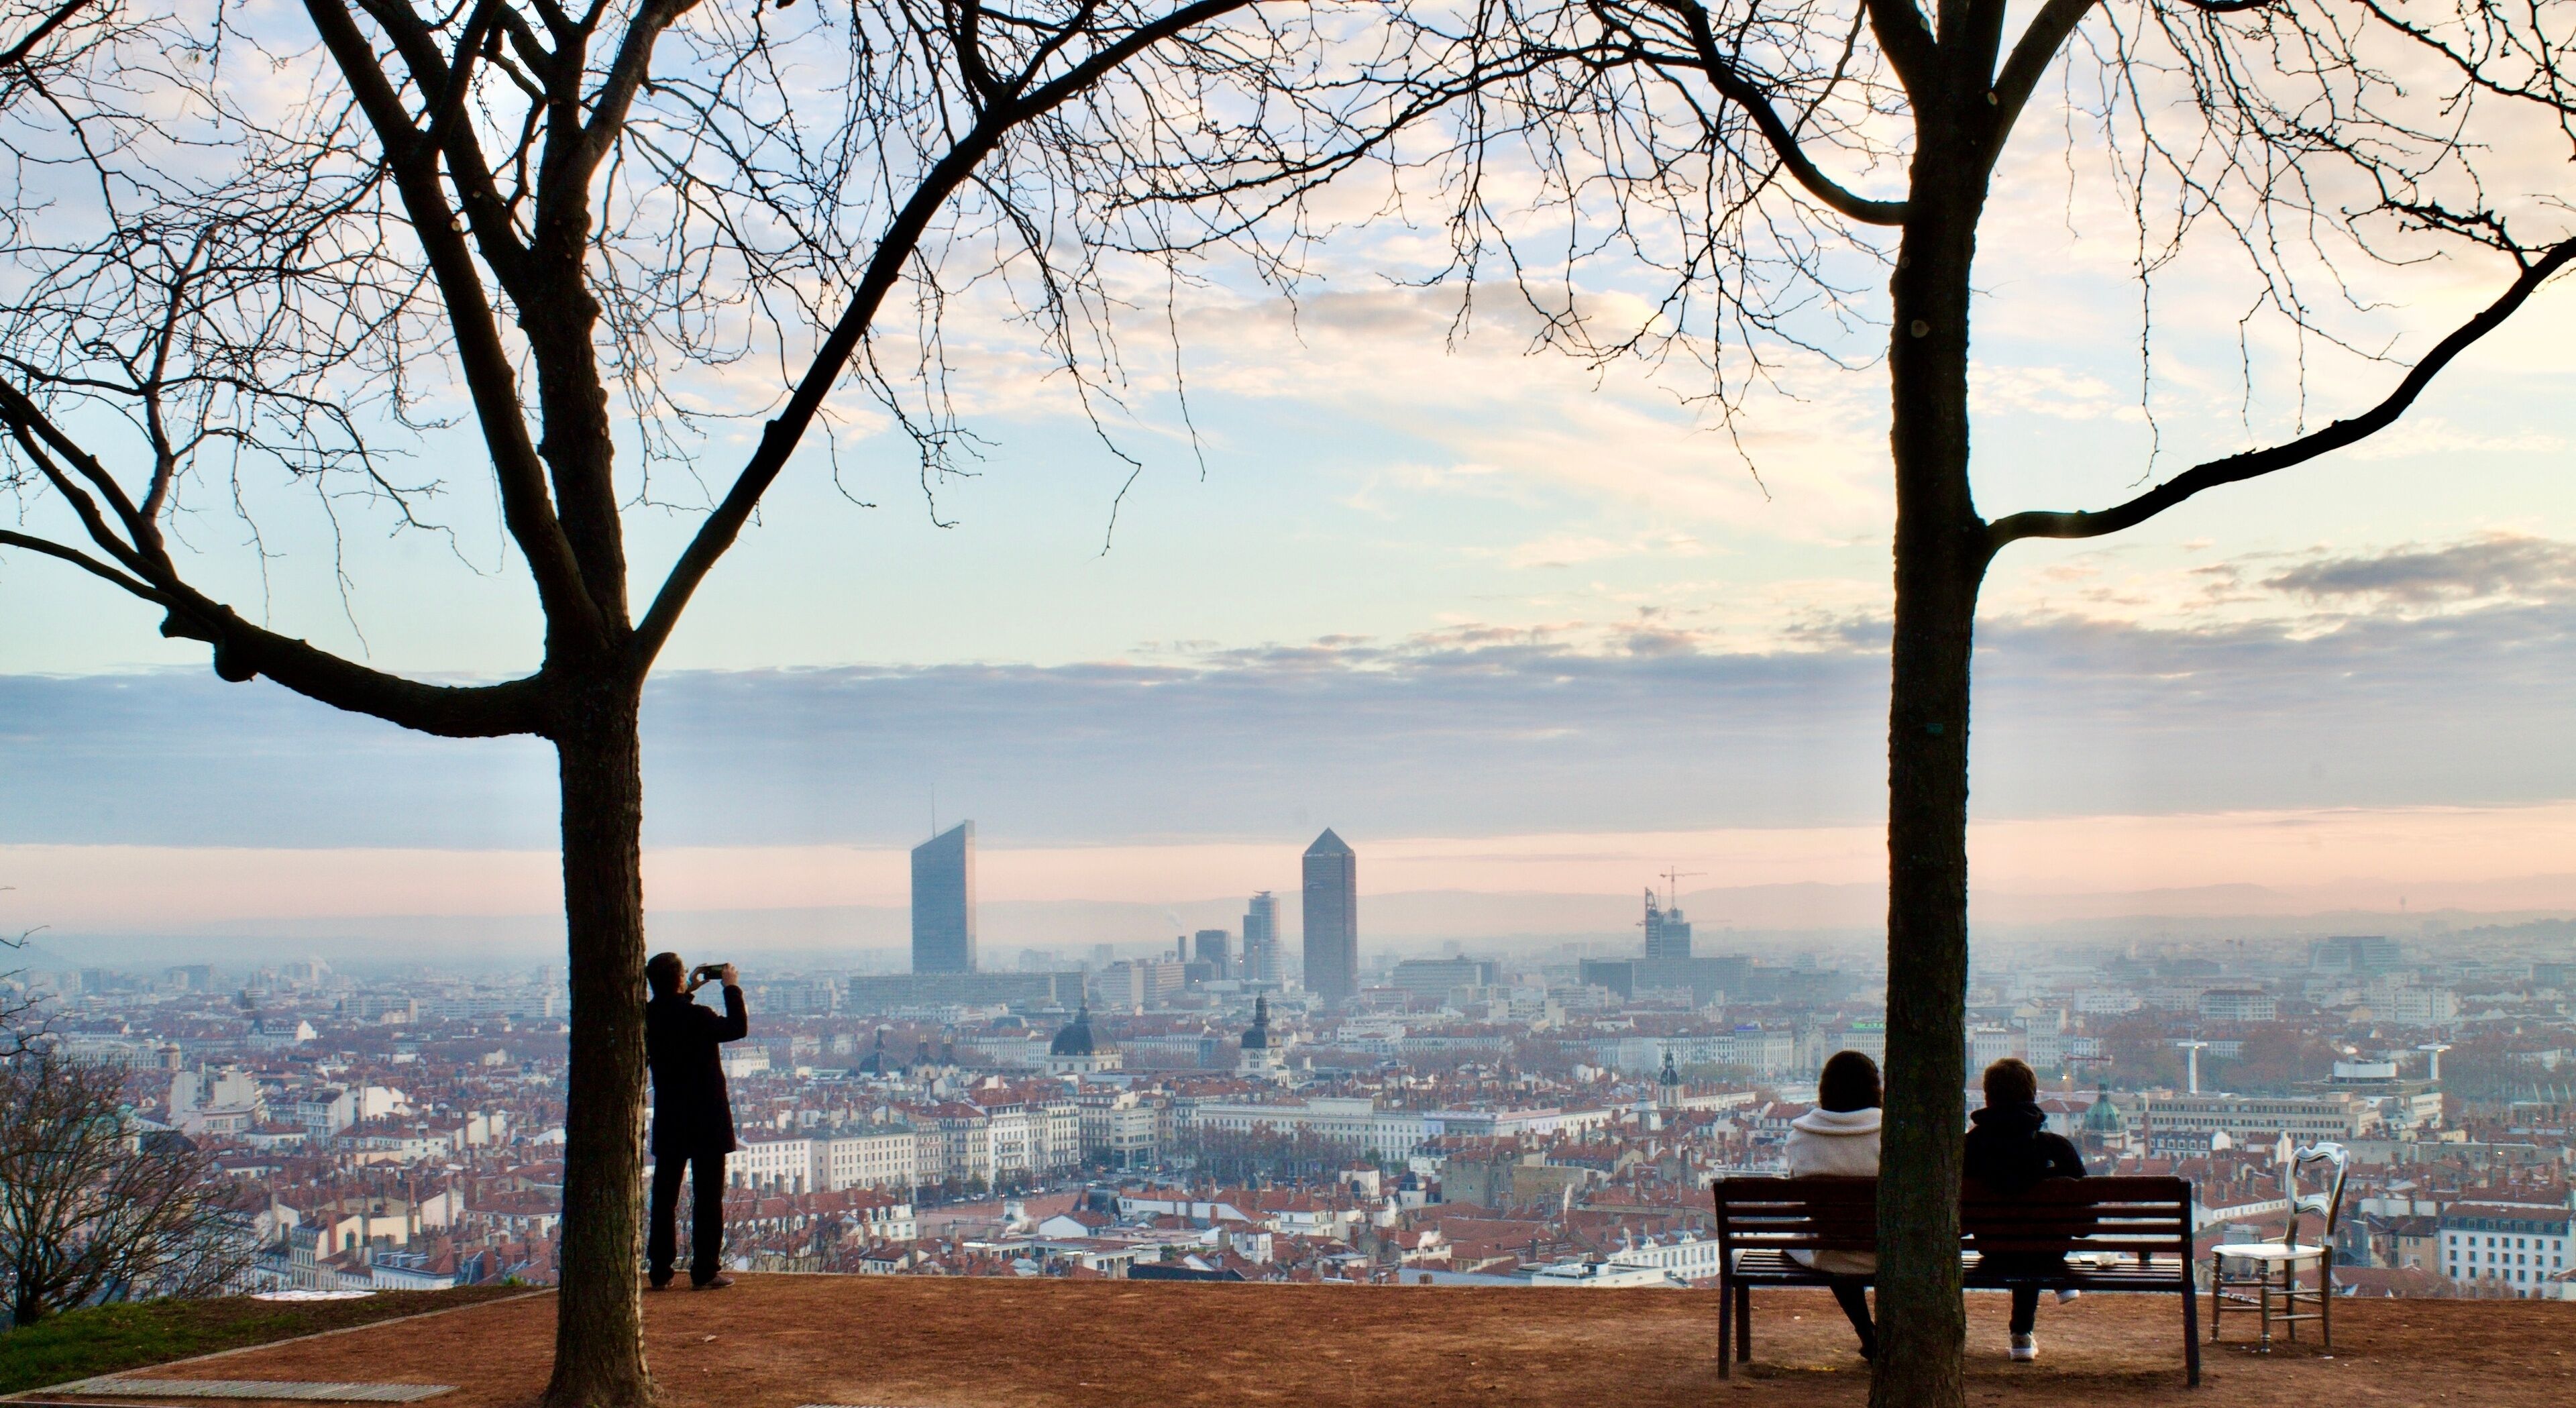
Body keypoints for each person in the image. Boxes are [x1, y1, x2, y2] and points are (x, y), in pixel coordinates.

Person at [1964, 1057, 2088, 1363]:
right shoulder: (2057, 1148)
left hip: (1993, 1248)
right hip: (2048, 1249)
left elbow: (1961, 1222)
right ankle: (2024, 1329)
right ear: (2032, 1096)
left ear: (1988, 1097)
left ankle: (2023, 1332)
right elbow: (2086, 1221)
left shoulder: (1968, 1147)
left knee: (2018, 1239)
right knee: (2033, 1242)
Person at [645, 953, 749, 1291]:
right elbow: (737, 1028)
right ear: (678, 979)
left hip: (671, 1117)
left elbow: (668, 1010)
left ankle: (660, 1270)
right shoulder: (699, 1017)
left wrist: (686, 990)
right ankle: (705, 1270)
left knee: (664, 1197)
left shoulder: (649, 1016)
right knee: (707, 1198)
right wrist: (731, 988)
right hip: (706, 1118)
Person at [1784, 1049, 1882, 1360]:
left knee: (1826, 1243)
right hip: (1893, 1250)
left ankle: (1866, 1330)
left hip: (1833, 1252)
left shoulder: (1800, 1138)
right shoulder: (1893, 1132)